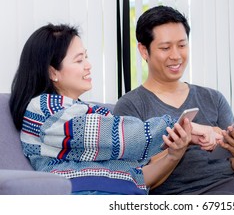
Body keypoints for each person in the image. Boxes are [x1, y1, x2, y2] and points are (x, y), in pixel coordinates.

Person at [9, 23, 220, 195]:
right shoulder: (45, 110)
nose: (88, 65)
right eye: (79, 60)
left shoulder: (86, 113)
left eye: (86, 57)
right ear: (53, 72)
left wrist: (175, 152)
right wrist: (186, 128)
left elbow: (136, 177)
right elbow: (123, 135)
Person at [114, 5, 234, 195]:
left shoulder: (212, 98)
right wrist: (175, 152)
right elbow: (136, 180)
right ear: (144, 51)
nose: (176, 55)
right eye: (165, 48)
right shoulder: (130, 106)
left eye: (182, 45)